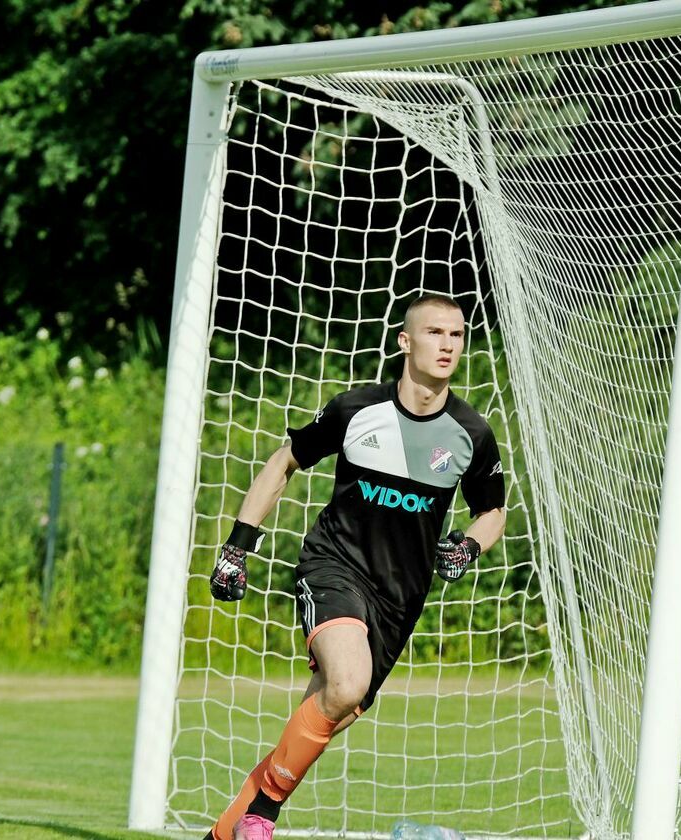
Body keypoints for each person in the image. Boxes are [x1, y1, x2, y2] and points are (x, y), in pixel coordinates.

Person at [202, 293, 508, 840]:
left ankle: (225, 834)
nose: (447, 345)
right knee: (345, 683)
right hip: (334, 566)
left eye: (457, 335)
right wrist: (236, 546)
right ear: (405, 342)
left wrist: (468, 546)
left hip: (399, 599)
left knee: (328, 714)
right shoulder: (356, 410)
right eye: (434, 333)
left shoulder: (471, 433)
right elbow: (284, 460)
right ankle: (264, 817)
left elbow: (492, 510)